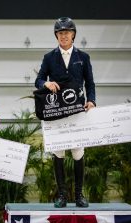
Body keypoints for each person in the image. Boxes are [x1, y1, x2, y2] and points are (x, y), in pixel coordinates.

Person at [35, 17, 96, 208]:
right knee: (58, 152)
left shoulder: (83, 57)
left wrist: (92, 100)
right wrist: (45, 83)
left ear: (73, 35)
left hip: (77, 110)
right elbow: (38, 79)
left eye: (67, 32)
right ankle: (62, 195)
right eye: (60, 33)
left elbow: (90, 83)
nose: (64, 36)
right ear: (57, 36)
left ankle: (79, 195)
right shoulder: (49, 57)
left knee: (78, 152)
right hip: (57, 112)